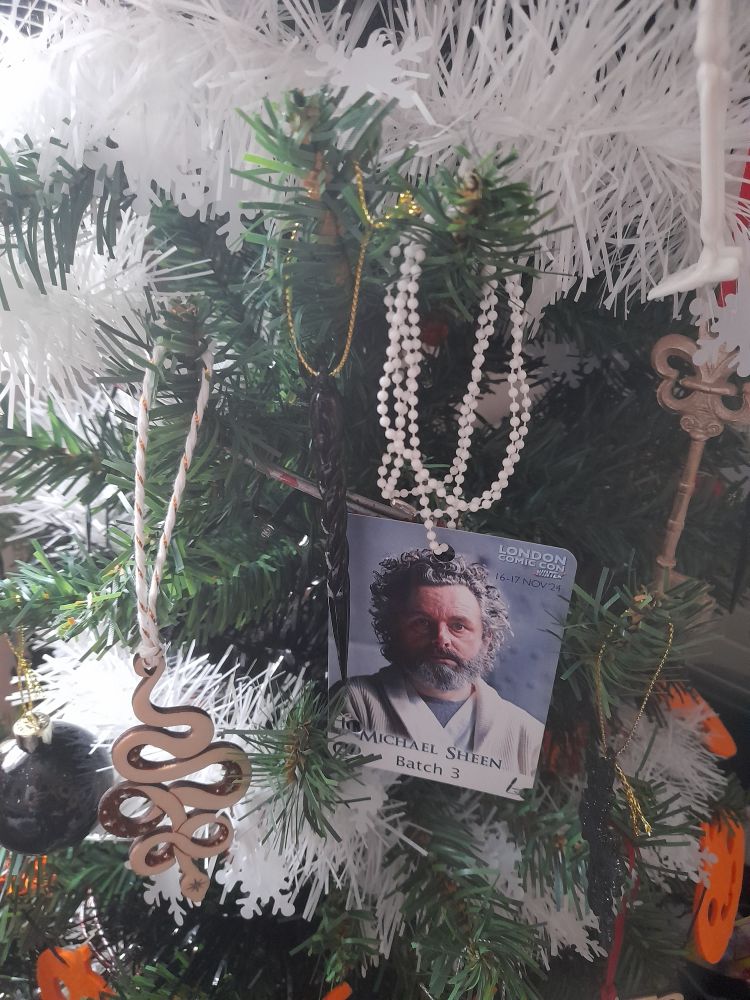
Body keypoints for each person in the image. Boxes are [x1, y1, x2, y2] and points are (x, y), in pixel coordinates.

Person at [340, 549, 544, 776]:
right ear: (395, 630)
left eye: (458, 626)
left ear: (486, 640)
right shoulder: (353, 701)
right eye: (422, 623)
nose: (441, 639)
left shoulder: (528, 736)